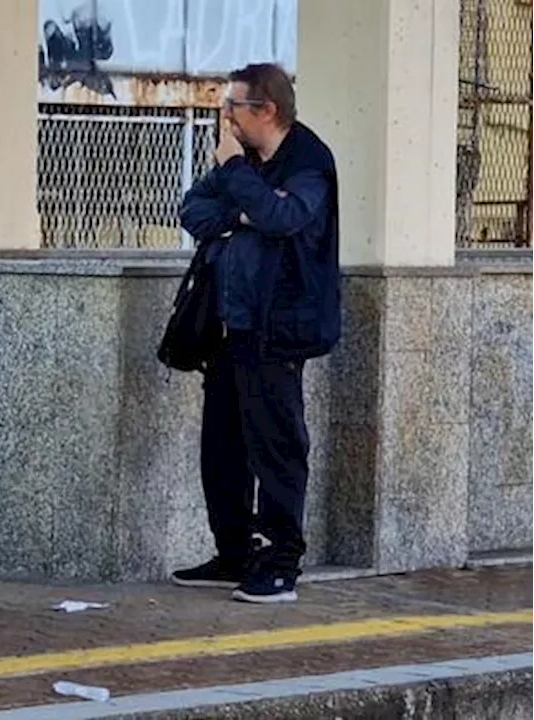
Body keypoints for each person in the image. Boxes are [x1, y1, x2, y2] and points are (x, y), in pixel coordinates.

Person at [173, 63, 340, 603]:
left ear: (266, 110)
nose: (225, 118)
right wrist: (244, 207)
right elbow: (194, 210)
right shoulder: (238, 163)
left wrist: (243, 196)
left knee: (276, 446)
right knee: (222, 446)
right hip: (229, 324)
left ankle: (280, 561)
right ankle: (234, 553)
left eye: (233, 108)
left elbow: (281, 218)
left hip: (278, 329)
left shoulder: (308, 162)